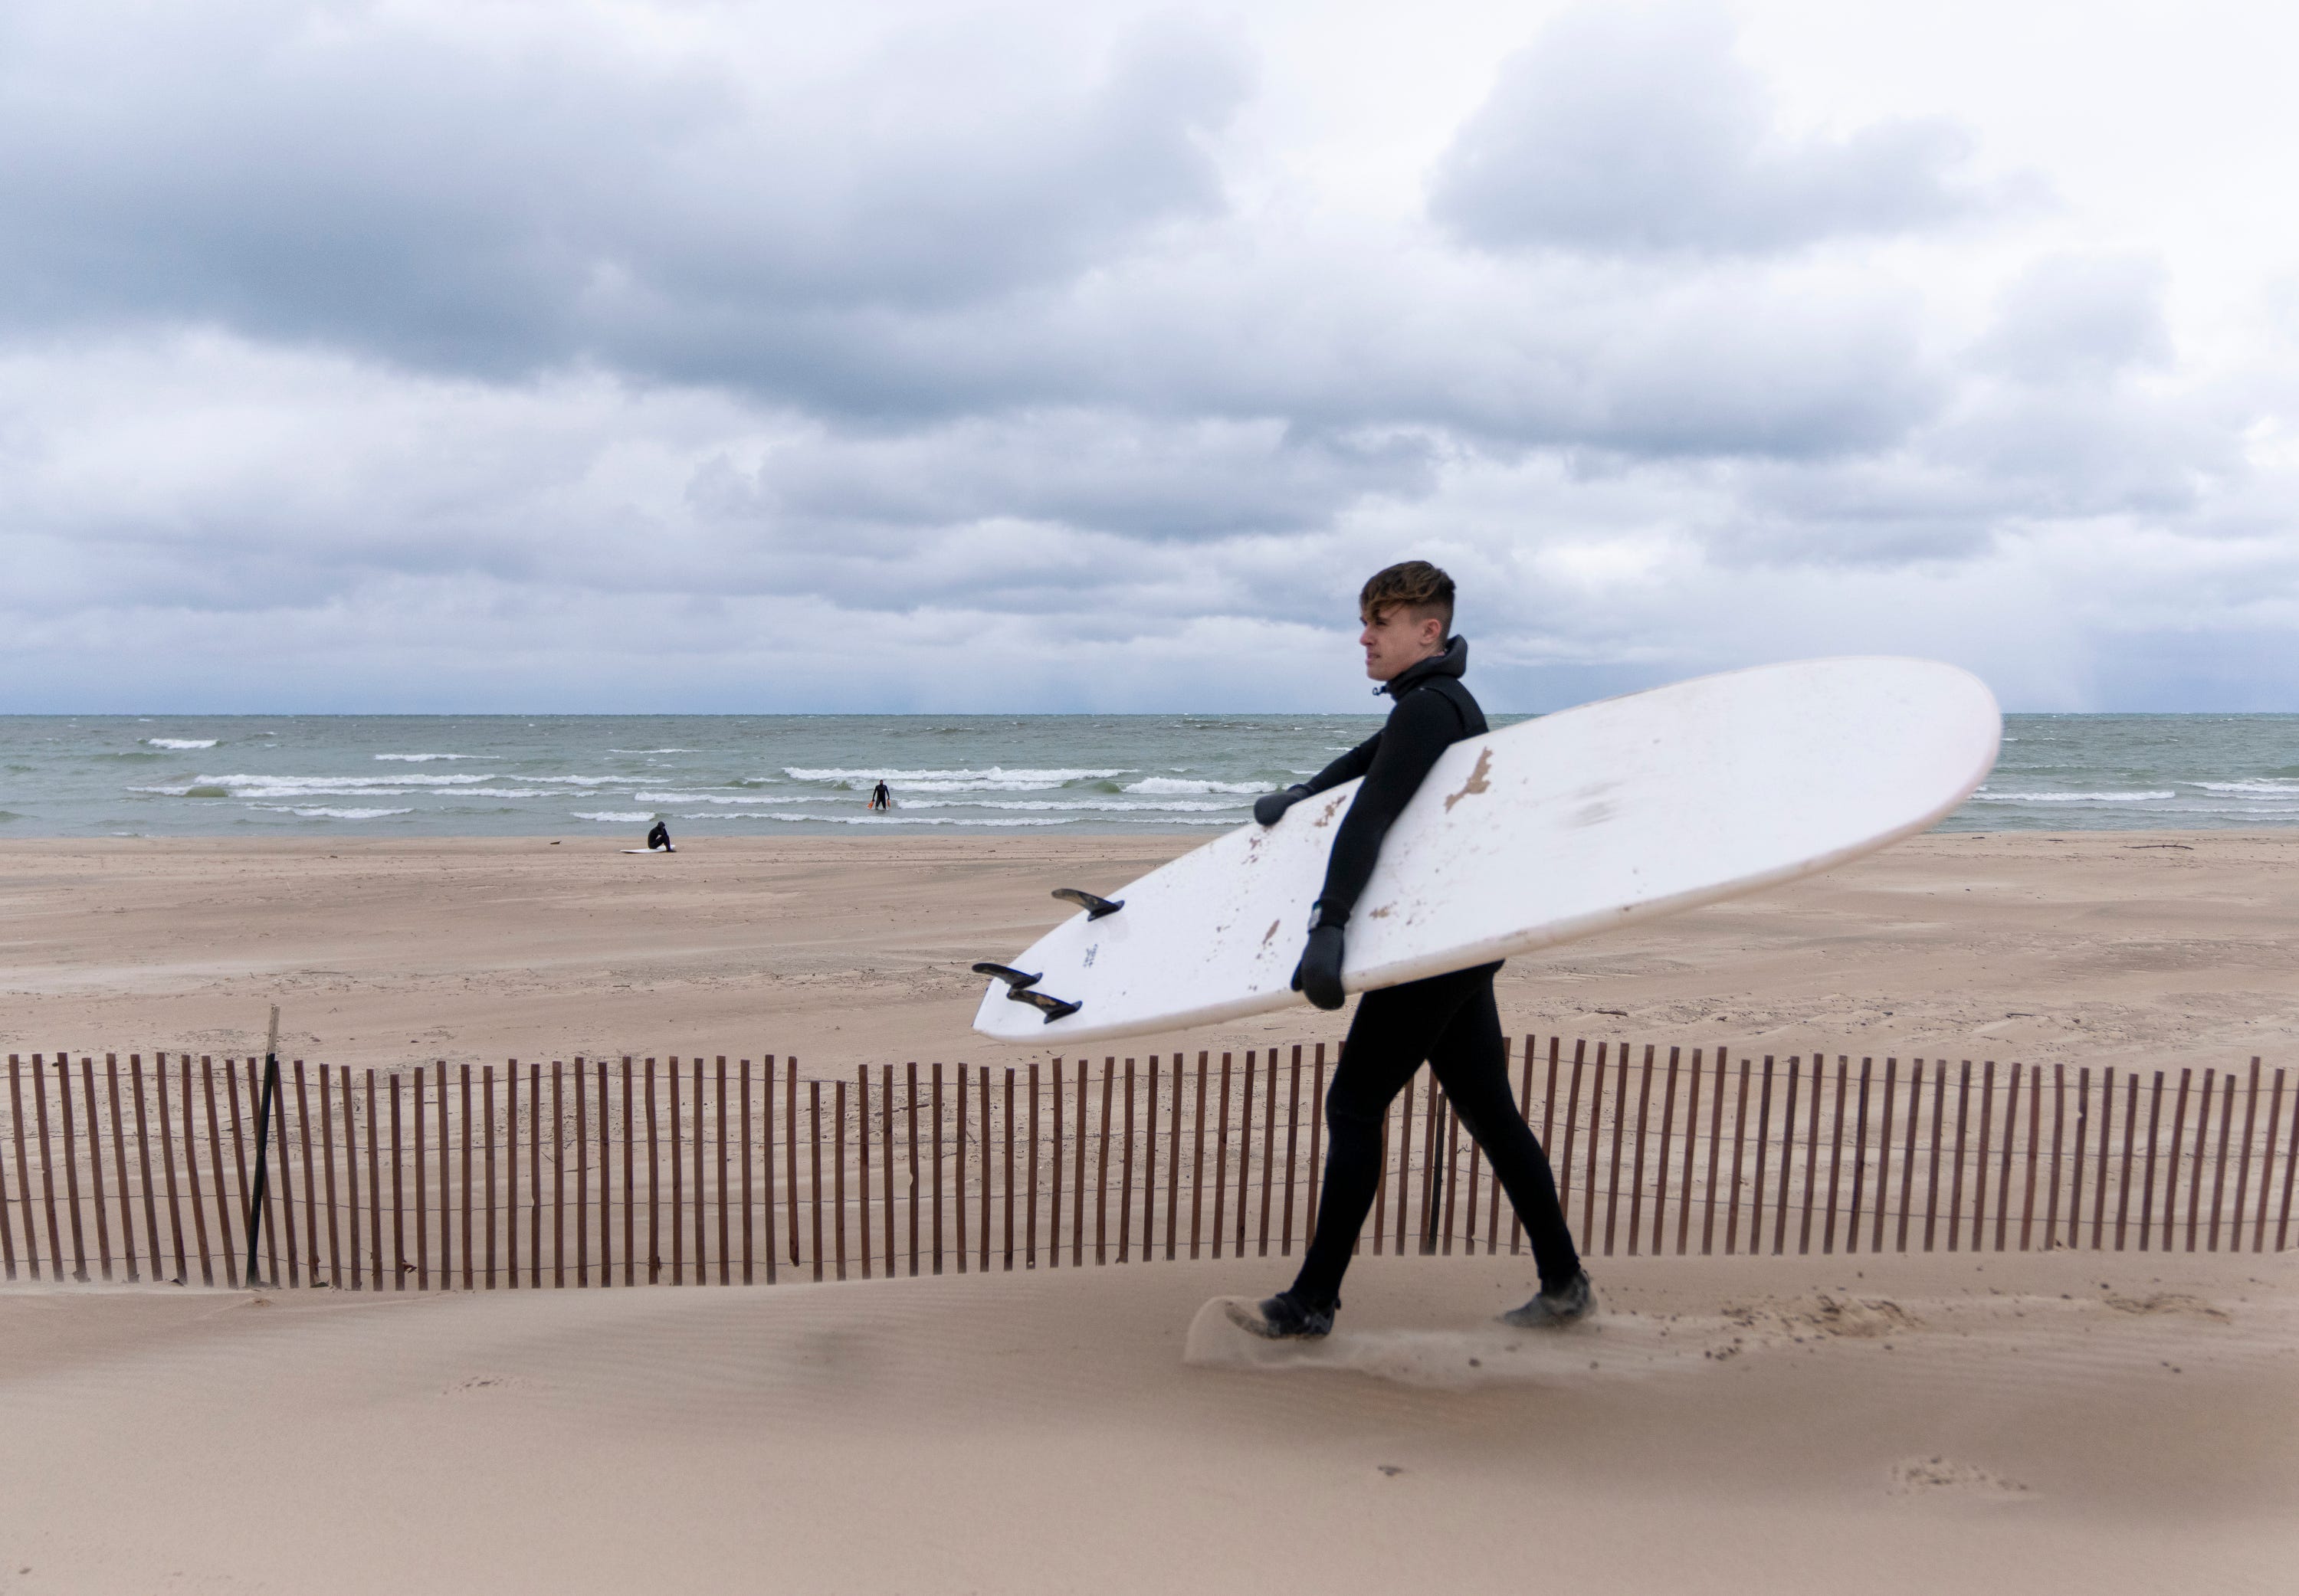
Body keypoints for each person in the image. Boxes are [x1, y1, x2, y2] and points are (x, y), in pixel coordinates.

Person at [1231, 560, 1591, 1339]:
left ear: (1428, 630)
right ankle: (1564, 1283)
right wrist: (1300, 794)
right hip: (1463, 940)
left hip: (1439, 951)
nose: (1364, 637)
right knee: (1491, 1112)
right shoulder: (1436, 703)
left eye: (1381, 623)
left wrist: (1329, 923)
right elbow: (1366, 760)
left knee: (1354, 1102)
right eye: (1365, 621)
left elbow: (1371, 816)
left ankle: (1314, 1299)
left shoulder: (1429, 709)